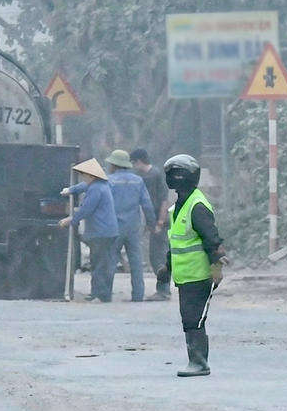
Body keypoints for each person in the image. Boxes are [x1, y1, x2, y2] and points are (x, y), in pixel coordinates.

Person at [155, 154, 227, 377]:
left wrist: (216, 266)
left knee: (194, 317)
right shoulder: (181, 205)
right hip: (186, 276)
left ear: (178, 177)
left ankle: (199, 363)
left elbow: (211, 238)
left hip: (199, 274)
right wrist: (168, 267)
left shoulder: (196, 206)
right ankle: (196, 361)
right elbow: (178, 242)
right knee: (189, 317)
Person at [66, 150, 155, 301]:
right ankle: (138, 295)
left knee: (110, 261)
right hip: (133, 227)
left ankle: (105, 294)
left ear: (114, 165)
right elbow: (146, 204)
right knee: (135, 262)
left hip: (114, 227)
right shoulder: (138, 181)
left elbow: (87, 185)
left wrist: (71, 190)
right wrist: (151, 223)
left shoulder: (108, 180)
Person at [58, 158, 118, 302]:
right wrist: (71, 190)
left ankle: (101, 295)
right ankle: (99, 293)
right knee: (101, 263)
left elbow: (87, 209)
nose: (83, 178)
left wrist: (71, 220)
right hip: (107, 231)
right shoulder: (98, 184)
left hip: (101, 232)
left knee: (99, 265)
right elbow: (83, 186)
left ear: (91, 175)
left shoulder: (96, 189)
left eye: (84, 175)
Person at [131, 148, 172, 300]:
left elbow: (163, 200)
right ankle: (162, 289)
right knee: (154, 256)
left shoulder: (155, 175)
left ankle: (164, 290)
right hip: (152, 221)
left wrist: (160, 222)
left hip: (159, 221)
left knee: (159, 256)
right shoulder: (143, 176)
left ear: (138, 162)